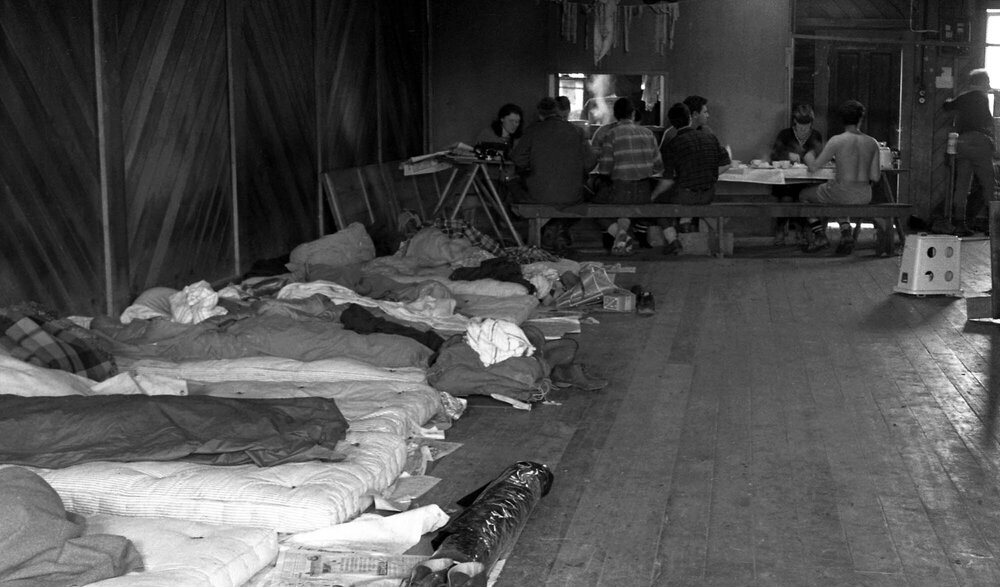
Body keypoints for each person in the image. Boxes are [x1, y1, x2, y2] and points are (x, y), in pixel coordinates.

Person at [509, 97, 598, 254]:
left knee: (512, 184)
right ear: (559, 112)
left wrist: (534, 166)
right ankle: (558, 228)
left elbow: (518, 159)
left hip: (540, 194)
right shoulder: (577, 131)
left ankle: (550, 230)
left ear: (540, 114)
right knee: (587, 194)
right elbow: (590, 162)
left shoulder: (533, 130)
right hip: (572, 195)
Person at [799, 99, 881, 253]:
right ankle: (846, 233)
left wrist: (808, 154)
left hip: (840, 193)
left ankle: (820, 235)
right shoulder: (872, 142)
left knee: (804, 195)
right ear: (861, 119)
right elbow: (875, 177)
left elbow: (814, 167)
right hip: (864, 195)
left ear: (842, 120)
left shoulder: (837, 141)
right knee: (838, 195)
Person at [653, 102, 732, 254]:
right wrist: (711, 175)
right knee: (686, 194)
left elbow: (668, 180)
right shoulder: (709, 137)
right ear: (690, 118)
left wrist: (653, 195)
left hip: (685, 195)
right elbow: (727, 163)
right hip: (708, 194)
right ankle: (685, 224)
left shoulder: (674, 143)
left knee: (658, 204)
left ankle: (673, 241)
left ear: (673, 124)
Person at [591, 97, 665, 254]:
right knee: (631, 209)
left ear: (615, 115)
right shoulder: (648, 134)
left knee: (595, 209)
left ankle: (621, 234)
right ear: (633, 114)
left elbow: (604, 169)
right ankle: (624, 235)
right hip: (644, 192)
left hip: (620, 190)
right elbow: (659, 166)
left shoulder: (611, 134)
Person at [943, 68, 996, 237]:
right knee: (989, 184)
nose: (988, 84)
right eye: (987, 81)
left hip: (963, 142)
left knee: (962, 185)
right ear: (981, 82)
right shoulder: (982, 97)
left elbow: (947, 106)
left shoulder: (964, 97)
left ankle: (960, 224)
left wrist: (950, 98)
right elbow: (988, 121)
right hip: (980, 141)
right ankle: (993, 225)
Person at [770, 104, 824, 245]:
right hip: (786, 181)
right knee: (786, 198)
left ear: (811, 124)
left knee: (807, 196)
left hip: (807, 180)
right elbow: (774, 155)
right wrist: (787, 155)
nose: (803, 131)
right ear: (794, 122)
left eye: (806, 128)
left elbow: (820, 154)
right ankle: (781, 228)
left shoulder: (816, 135)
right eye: (800, 127)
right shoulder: (785, 135)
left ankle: (807, 229)